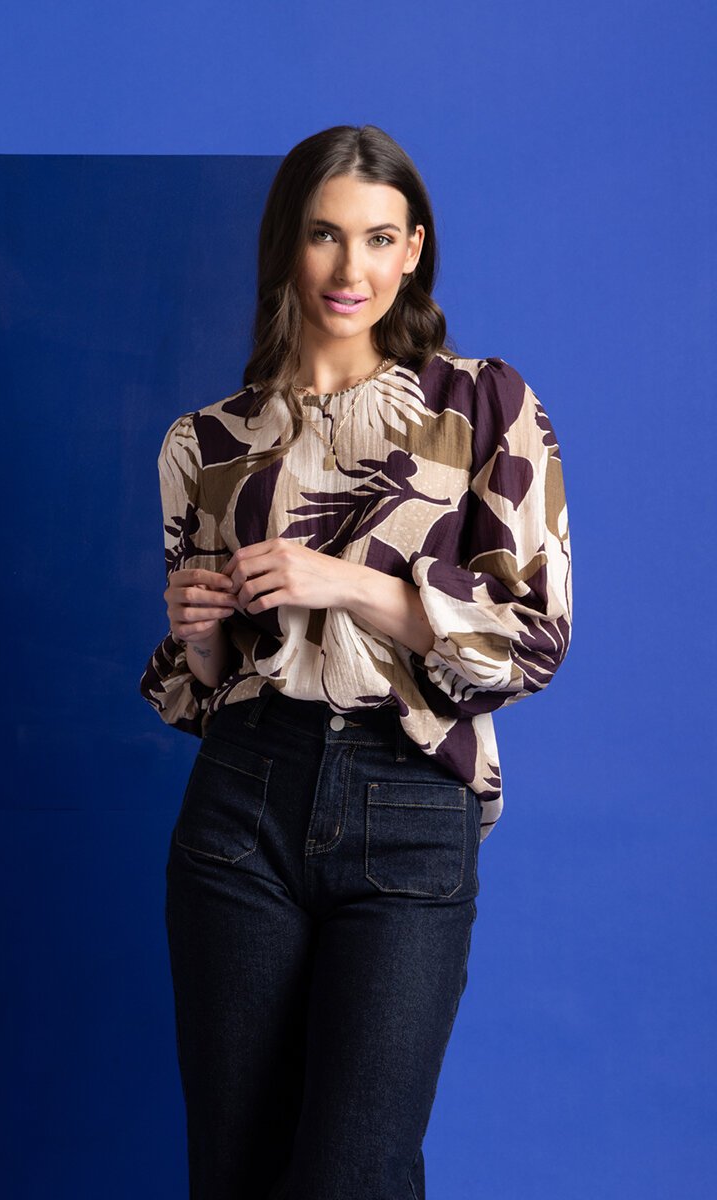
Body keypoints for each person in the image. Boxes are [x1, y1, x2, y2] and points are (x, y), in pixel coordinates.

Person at [139, 124, 573, 1200]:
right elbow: (204, 692)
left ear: (413, 249)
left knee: (355, 1174)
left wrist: (348, 583)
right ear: (286, 245)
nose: (350, 268)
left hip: (410, 801)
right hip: (242, 796)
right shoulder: (205, 442)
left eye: (379, 238)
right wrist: (200, 636)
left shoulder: (483, 405)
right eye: (324, 235)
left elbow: (531, 641)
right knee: (235, 1171)